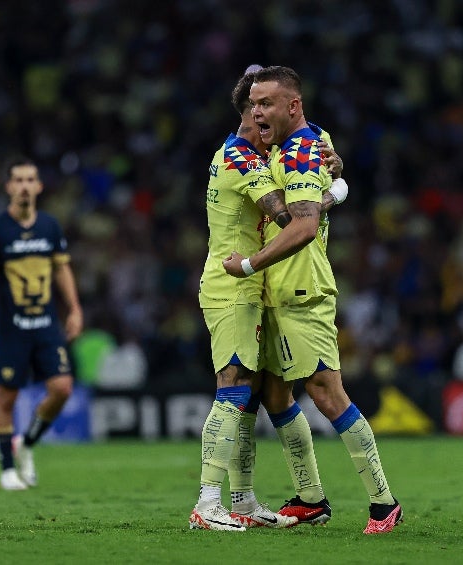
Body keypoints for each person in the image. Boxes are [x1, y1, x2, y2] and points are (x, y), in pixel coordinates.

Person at [223, 66, 402, 534]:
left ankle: (384, 503)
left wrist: (248, 266)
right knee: (275, 395)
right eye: (254, 104)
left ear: (292, 106)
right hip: (276, 293)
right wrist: (336, 186)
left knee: (326, 392)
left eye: (266, 104)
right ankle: (310, 498)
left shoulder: (302, 152)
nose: (258, 112)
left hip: (302, 291)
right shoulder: (301, 143)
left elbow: (301, 227)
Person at [190, 65, 343, 531]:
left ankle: (243, 500)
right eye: (258, 119)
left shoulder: (251, 152)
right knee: (231, 389)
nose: (265, 129)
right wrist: (333, 189)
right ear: (245, 116)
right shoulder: (241, 160)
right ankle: (207, 501)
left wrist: (326, 162)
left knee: (250, 397)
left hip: (252, 290)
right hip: (232, 288)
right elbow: (289, 219)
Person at [0, 157, 84, 490]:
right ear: (8, 187)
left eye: (29, 179)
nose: (23, 186)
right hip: (11, 328)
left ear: (38, 186)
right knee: (7, 397)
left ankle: (28, 442)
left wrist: (74, 308)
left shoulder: (49, 226)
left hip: (46, 324)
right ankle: (7, 469)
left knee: (62, 388)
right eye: (17, 180)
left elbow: (62, 268)